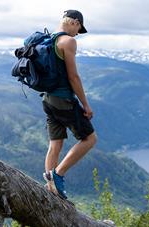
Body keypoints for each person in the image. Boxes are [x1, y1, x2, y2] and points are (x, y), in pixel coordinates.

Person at [42, 10, 97, 200]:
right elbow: (73, 77)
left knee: (55, 143)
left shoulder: (47, 40)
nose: (78, 32)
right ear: (74, 22)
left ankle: (50, 189)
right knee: (90, 139)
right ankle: (58, 174)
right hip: (63, 99)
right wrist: (86, 105)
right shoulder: (68, 42)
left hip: (47, 99)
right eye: (79, 28)